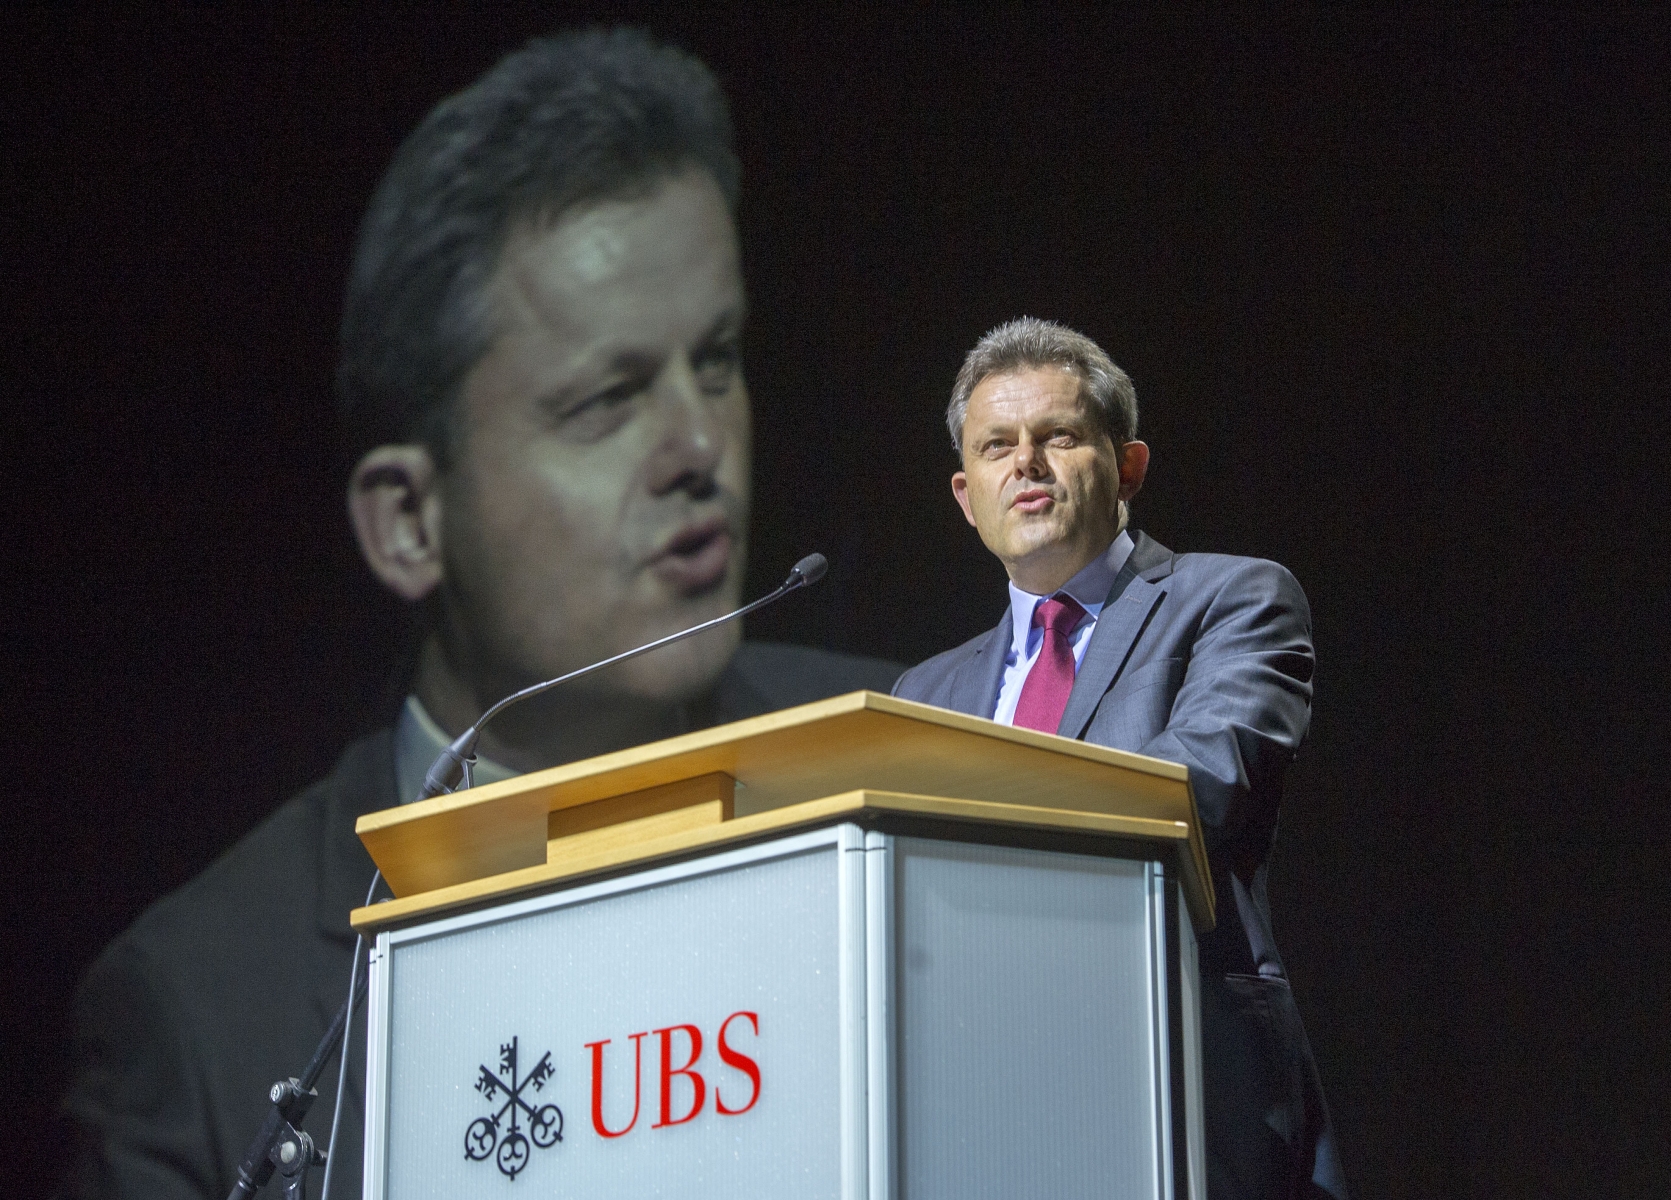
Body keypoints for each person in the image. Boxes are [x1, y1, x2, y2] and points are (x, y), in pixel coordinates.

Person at [62, 29, 899, 1200]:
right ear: (409, 521)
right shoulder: (199, 1013)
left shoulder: (920, 764)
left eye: (715, 361)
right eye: (608, 399)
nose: (701, 448)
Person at [892, 318, 1348, 1200]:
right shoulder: (923, 694)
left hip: (1180, 1082)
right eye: (995, 447)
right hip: (975, 1102)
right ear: (964, 493)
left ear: (1127, 467)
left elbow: (1201, 784)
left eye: (1056, 437)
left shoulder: (1230, 602)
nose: (1024, 464)